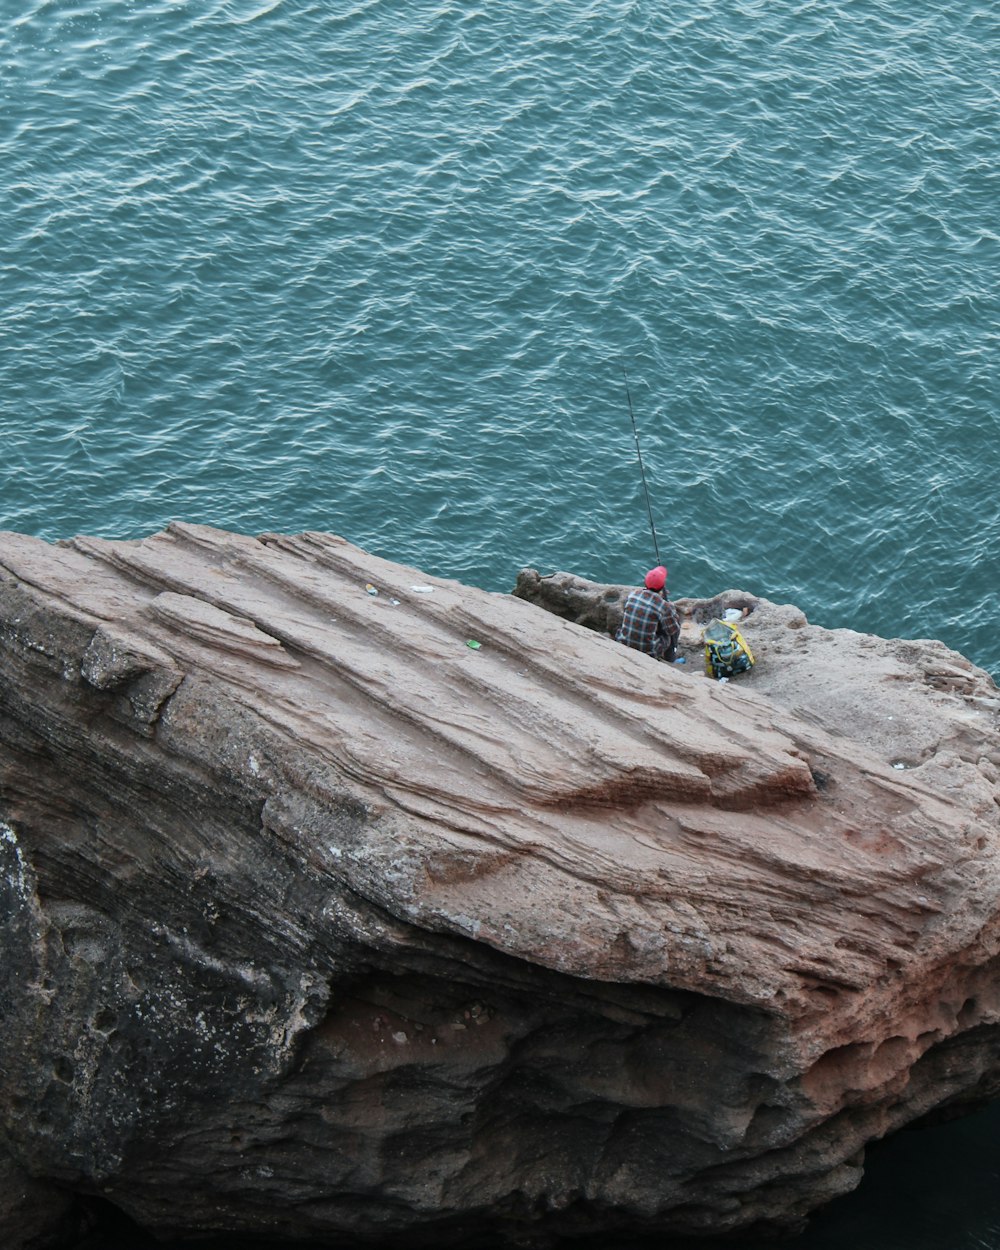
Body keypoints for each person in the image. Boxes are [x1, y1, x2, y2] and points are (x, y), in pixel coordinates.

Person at [615, 565, 680, 662]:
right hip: (648, 651)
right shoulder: (664, 605)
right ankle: (671, 659)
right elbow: (673, 630)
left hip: (623, 641)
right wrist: (670, 607)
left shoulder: (633, 595)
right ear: (662, 587)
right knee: (670, 631)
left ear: (645, 583)